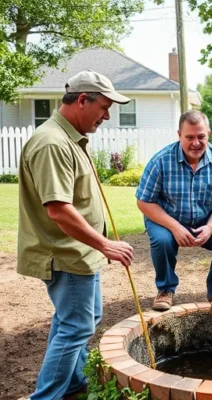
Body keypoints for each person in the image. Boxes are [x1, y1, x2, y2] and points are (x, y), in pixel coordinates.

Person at [17, 70, 134, 400]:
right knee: (75, 327)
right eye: (104, 107)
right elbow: (58, 209)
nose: (107, 116)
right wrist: (105, 244)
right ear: (83, 100)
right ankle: (48, 396)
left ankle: (73, 385)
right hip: (66, 254)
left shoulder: (69, 138)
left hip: (80, 253)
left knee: (81, 320)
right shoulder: (53, 143)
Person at [136, 110, 212, 311]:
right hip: (166, 218)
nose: (196, 143)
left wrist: (210, 227)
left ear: (208, 133)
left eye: (201, 136)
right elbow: (144, 202)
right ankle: (165, 289)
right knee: (163, 240)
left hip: (206, 218)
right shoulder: (161, 161)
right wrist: (175, 227)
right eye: (189, 137)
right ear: (179, 135)